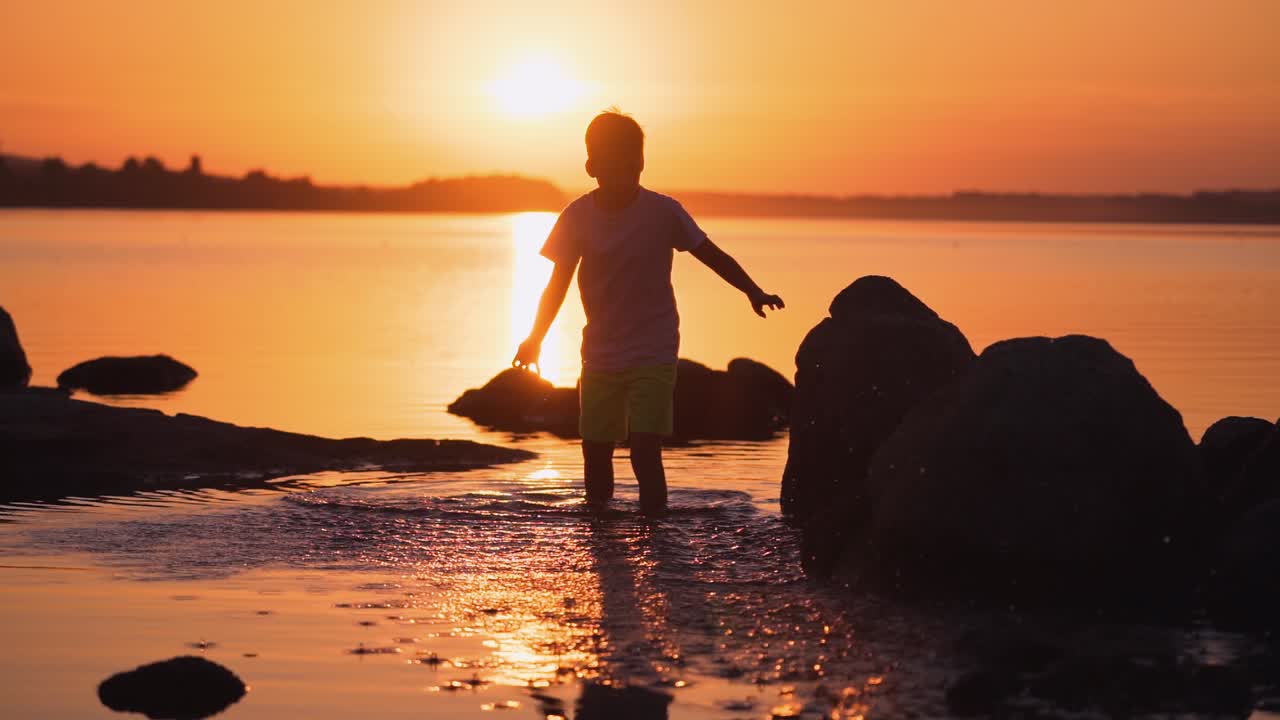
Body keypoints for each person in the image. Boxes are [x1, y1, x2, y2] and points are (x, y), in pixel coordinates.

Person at [513, 109, 783, 515]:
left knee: (644, 450)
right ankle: (599, 531)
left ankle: (654, 532)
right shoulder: (577, 217)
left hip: (653, 350)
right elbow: (557, 285)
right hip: (600, 353)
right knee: (595, 452)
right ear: (592, 166)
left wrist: (753, 291)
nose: (626, 168)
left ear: (641, 163)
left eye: (633, 160)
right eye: (613, 160)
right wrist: (534, 339)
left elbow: (711, 255)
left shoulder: (664, 212)